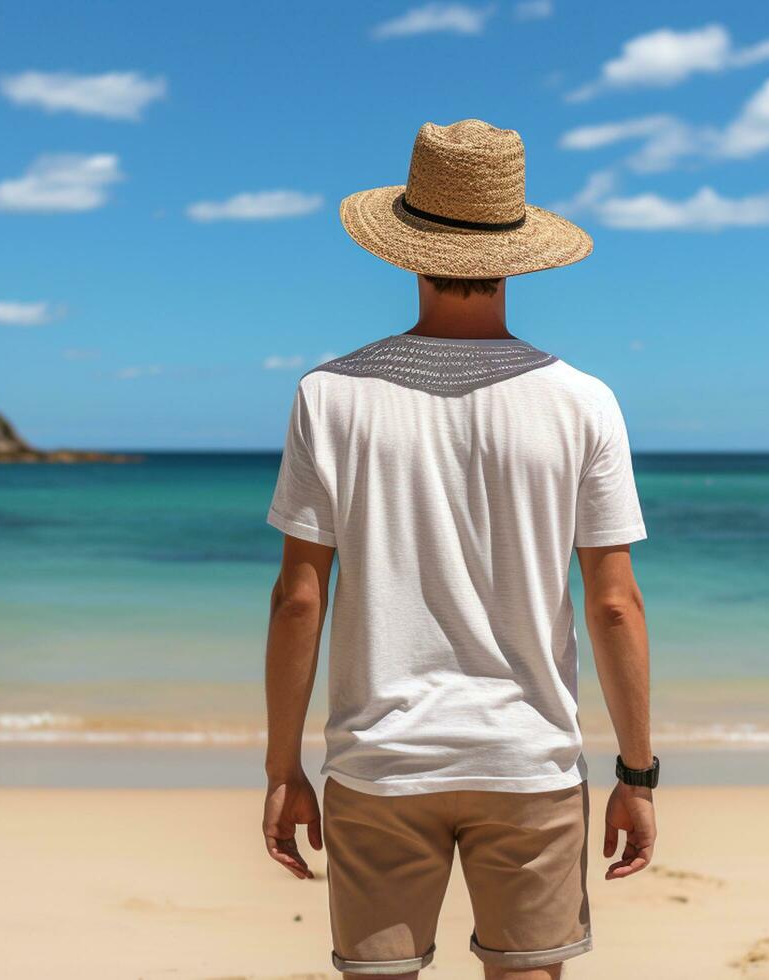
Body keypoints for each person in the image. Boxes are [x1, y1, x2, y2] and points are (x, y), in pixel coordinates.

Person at [261, 120, 654, 979]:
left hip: (380, 763)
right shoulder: (583, 402)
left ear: (405, 248)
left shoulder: (330, 395)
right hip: (527, 761)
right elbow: (614, 602)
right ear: (514, 251)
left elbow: (299, 598)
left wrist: (283, 765)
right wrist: (637, 773)